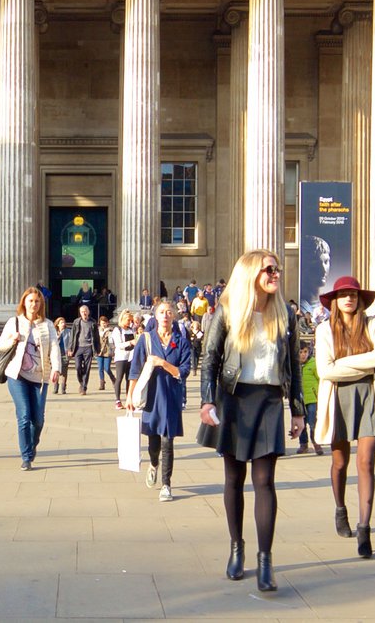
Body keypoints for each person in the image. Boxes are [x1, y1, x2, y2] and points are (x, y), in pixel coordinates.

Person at [197, 249, 304, 593]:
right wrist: (206, 401)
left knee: (265, 481)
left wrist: (298, 410)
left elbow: (294, 368)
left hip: (270, 400)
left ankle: (265, 561)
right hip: (234, 398)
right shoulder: (228, 311)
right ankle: (236, 548)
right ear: (250, 275)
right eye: (269, 270)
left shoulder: (285, 314)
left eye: (277, 269)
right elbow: (210, 358)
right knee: (233, 479)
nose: (276, 275)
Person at [312, 275, 375, 557]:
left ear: (360, 299)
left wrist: (343, 363)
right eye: (343, 294)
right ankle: (340, 509)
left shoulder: (372, 324)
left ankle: (364, 529)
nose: (349, 298)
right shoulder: (324, 330)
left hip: (369, 397)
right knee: (340, 463)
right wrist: (363, 365)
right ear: (334, 300)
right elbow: (326, 372)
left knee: (365, 463)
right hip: (338, 399)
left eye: (353, 294)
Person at [128, 299, 192, 501]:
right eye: (162, 312)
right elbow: (135, 370)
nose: (165, 315)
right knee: (154, 443)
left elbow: (183, 371)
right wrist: (129, 395)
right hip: (151, 398)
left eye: (169, 312)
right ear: (155, 317)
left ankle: (166, 484)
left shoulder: (181, 342)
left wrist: (163, 363)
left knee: (168, 441)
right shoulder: (146, 339)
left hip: (171, 398)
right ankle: (153, 463)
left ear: (174, 316)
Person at [0, 287, 63, 471]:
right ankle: (26, 456)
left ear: (41, 304)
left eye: (37, 301)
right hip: (17, 375)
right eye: (30, 301)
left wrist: (56, 368)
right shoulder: (14, 322)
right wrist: (12, 340)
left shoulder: (48, 324)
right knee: (24, 415)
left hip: (40, 376)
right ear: (24, 303)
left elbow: (55, 347)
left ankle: (33, 443)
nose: (34, 304)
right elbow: (0, 345)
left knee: (39, 420)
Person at [296, 340, 321, 455]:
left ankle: (316, 442)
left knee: (313, 422)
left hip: (312, 399)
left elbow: (320, 379)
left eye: (305, 351)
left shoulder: (313, 363)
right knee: (301, 423)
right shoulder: (294, 366)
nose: (303, 354)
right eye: (300, 352)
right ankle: (303, 444)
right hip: (299, 400)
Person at [109, 310, 137, 408]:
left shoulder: (131, 330)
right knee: (119, 378)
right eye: (128, 320)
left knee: (129, 379)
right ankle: (117, 399)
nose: (129, 322)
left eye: (131, 320)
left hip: (131, 357)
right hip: (121, 357)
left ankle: (129, 398)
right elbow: (118, 345)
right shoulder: (117, 330)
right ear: (123, 319)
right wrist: (130, 343)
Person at [73, 305, 98, 395]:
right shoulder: (76, 322)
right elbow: (73, 336)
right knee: (78, 367)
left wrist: (97, 349)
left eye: (85, 311)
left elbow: (96, 337)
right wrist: (70, 348)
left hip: (88, 347)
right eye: (82, 311)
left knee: (87, 368)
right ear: (80, 313)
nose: (84, 313)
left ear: (88, 312)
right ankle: (81, 382)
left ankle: (84, 387)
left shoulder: (93, 322)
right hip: (78, 347)